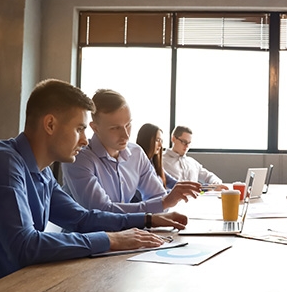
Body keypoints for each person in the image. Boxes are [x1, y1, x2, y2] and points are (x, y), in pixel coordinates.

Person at [0, 79, 188, 292]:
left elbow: (81, 218)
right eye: (80, 128)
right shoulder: (0, 164)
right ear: (50, 124)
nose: (85, 140)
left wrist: (148, 220)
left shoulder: (42, 171)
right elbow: (25, 246)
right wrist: (111, 240)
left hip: (3, 284)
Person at [62, 90, 200, 213]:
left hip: (128, 233)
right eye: (115, 128)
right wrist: (162, 204)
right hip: (87, 239)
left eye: (128, 125)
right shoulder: (78, 158)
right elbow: (101, 211)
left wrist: (162, 204)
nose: (126, 136)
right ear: (95, 127)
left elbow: (158, 196)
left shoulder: (136, 153)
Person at [163, 126, 227, 190]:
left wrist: (215, 184)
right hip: (171, 198)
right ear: (173, 139)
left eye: (189, 143)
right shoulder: (161, 160)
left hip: (195, 198)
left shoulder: (192, 162)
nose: (187, 146)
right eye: (184, 142)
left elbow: (209, 176)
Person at [136, 123, 178, 190]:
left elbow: (172, 182)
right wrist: (172, 194)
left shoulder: (153, 162)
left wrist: (189, 187)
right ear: (146, 140)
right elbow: (148, 196)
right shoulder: (137, 165)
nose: (160, 145)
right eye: (157, 140)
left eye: (161, 141)